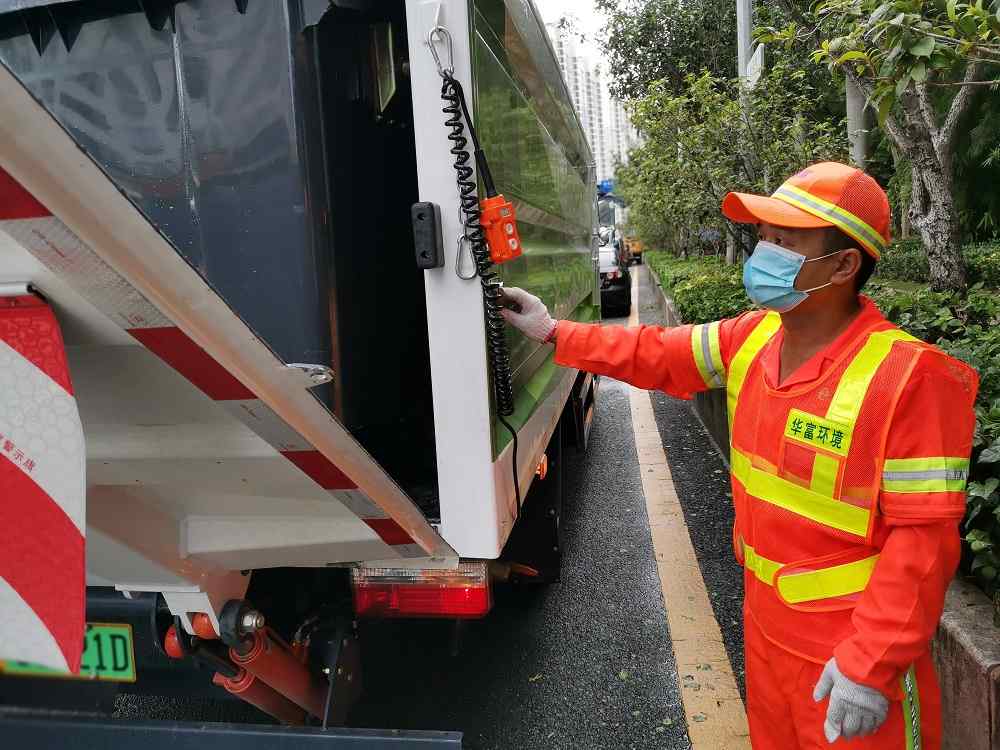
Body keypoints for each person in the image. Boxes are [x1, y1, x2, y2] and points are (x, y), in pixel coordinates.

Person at [501, 162, 978, 749]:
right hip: (764, 628)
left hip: (847, 652)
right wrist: (555, 332)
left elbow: (924, 540)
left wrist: (871, 662)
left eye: (785, 239)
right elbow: (657, 353)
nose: (764, 251)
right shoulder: (752, 337)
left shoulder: (911, 378)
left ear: (844, 264)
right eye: (765, 236)